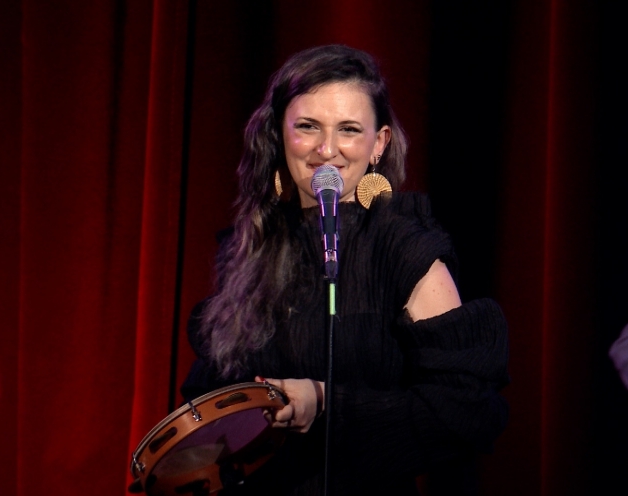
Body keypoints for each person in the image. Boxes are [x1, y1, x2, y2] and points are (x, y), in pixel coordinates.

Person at [181, 45, 510, 495]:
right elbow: (215, 404)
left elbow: (463, 412)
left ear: (379, 144)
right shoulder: (251, 249)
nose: (327, 149)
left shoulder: (405, 251)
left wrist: (323, 401)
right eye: (307, 126)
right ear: (279, 134)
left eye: (349, 130)